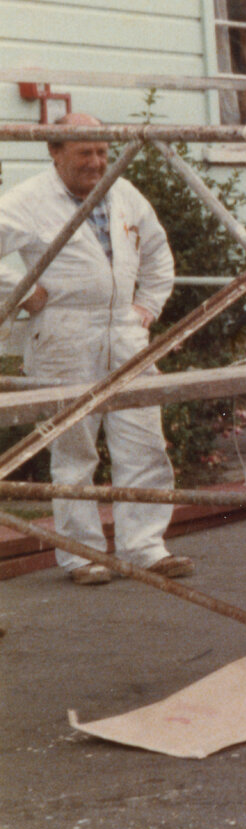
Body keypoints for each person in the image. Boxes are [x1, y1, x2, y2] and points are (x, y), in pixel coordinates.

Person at [0, 113, 192, 585]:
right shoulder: (27, 200)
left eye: (104, 152)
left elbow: (157, 250)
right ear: (54, 150)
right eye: (85, 152)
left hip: (125, 332)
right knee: (74, 450)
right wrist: (21, 290)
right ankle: (81, 555)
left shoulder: (123, 193)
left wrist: (147, 303)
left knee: (143, 440)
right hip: (65, 335)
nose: (97, 162)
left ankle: (144, 547)